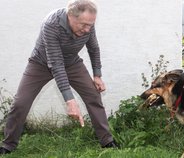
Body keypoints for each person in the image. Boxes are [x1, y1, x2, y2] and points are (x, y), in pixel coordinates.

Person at [0, 0, 117, 154]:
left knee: (93, 96)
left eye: (91, 25)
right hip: (41, 63)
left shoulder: (88, 22)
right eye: (84, 25)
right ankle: (8, 145)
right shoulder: (51, 24)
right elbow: (55, 63)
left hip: (72, 62)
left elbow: (93, 47)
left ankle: (107, 141)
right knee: (20, 103)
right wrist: (70, 100)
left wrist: (97, 74)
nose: (88, 29)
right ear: (70, 16)